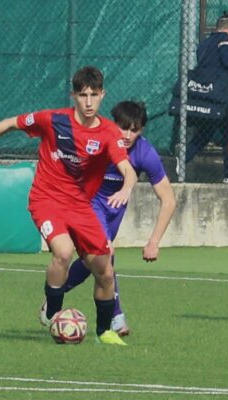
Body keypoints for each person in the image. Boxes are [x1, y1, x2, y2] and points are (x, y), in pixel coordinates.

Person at [0, 66, 138, 345]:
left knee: (105, 270)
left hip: (81, 206)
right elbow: (12, 122)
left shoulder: (108, 132)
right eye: (82, 95)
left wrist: (126, 187)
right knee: (63, 251)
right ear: (73, 95)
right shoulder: (53, 120)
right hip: (46, 199)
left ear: (102, 95)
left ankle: (104, 331)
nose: (88, 102)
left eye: (94, 95)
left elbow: (127, 169)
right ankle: (53, 312)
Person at [44, 101, 176, 336]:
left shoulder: (145, 153)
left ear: (142, 130)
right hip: (87, 203)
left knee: (91, 262)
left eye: (133, 130)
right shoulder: (98, 141)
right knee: (107, 253)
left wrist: (154, 241)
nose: (126, 135)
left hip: (114, 210)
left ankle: (56, 293)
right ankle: (115, 318)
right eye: (122, 127)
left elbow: (168, 199)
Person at [172, 11, 228, 183]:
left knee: (204, 134)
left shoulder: (204, 44)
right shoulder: (224, 39)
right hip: (220, 98)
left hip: (204, 96)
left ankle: (183, 158)